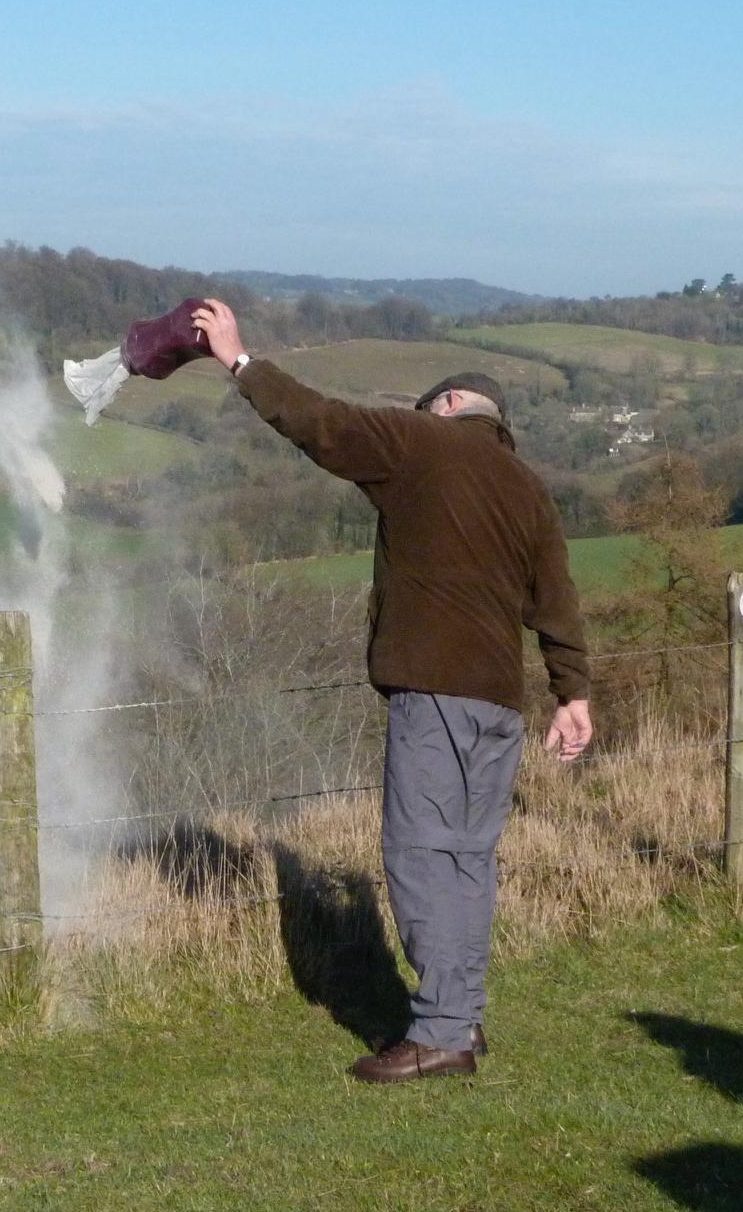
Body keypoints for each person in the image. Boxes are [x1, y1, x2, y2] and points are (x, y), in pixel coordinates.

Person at [190, 298, 592, 1083]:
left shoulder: (421, 442)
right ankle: (460, 1020)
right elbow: (558, 599)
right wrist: (573, 693)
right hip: (500, 702)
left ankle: (439, 1032)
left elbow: (321, 423)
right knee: (469, 861)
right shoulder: (527, 488)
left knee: (417, 856)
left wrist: (240, 362)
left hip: (434, 691)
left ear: (445, 407)